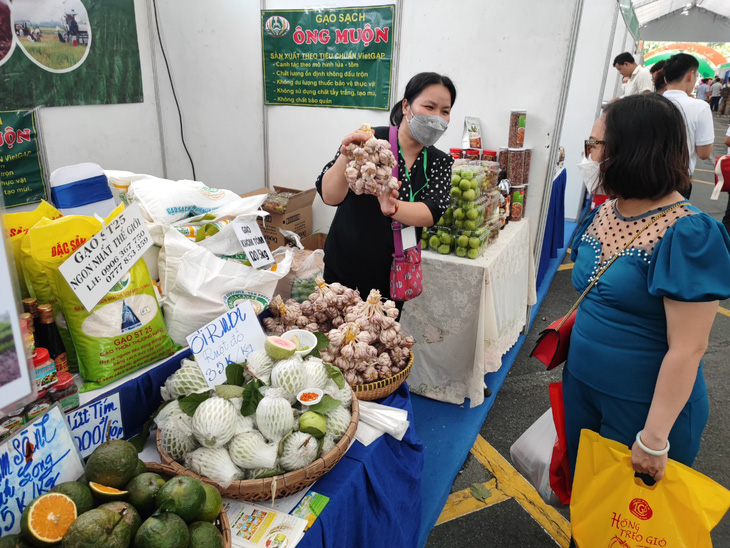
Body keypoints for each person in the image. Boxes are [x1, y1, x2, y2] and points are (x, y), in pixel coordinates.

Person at [564, 93, 730, 490]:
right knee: (590, 506)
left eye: (597, 145)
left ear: (633, 150)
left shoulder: (689, 233)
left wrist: (653, 439)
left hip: (642, 408)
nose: (590, 155)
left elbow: (689, 347)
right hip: (582, 388)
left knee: (629, 522)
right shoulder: (608, 208)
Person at [315, 72, 455, 313]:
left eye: (445, 111)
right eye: (429, 106)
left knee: (378, 341)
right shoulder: (371, 140)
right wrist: (346, 154)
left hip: (392, 274)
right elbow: (329, 196)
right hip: (344, 265)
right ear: (406, 106)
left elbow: (432, 211)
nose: (437, 118)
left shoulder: (439, 161)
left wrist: (393, 208)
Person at [662, 53, 713, 198]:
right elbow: (704, 153)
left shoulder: (645, 103)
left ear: (665, 79)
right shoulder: (700, 107)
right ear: (690, 76)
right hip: (677, 181)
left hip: (642, 177)